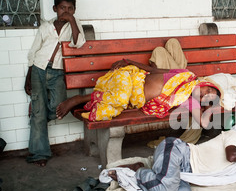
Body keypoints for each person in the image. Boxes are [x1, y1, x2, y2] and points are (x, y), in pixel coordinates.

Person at [56, 38, 220, 128]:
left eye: (206, 98)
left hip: (133, 99)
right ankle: (78, 99)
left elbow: (205, 123)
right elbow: (156, 71)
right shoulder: (185, 75)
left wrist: (212, 107)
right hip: (131, 78)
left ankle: (87, 100)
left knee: (113, 107)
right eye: (207, 90)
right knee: (119, 98)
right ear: (204, 83)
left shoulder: (189, 101)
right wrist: (130, 62)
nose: (204, 94)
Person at [103, 125, 236, 191]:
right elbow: (232, 156)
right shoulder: (234, 135)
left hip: (183, 174)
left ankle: (153, 174)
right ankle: (139, 170)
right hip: (178, 151)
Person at [24, 0, 86, 167]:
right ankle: (39, 153)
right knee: (38, 113)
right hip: (38, 69)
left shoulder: (74, 24)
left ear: (74, 10)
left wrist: (72, 21)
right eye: (62, 8)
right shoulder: (46, 26)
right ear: (54, 8)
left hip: (58, 71)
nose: (65, 11)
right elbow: (34, 51)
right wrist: (28, 76)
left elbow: (78, 43)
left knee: (57, 107)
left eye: (70, 9)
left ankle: (38, 111)